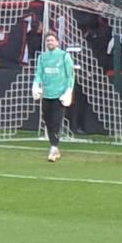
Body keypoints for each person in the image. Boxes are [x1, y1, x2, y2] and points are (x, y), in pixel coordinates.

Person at [34, 33, 77, 161]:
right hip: (47, 94)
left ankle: (54, 147)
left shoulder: (64, 56)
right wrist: (35, 85)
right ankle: (54, 146)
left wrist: (68, 90)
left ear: (57, 42)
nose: (50, 42)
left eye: (52, 40)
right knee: (48, 121)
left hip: (60, 95)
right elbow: (39, 74)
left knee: (56, 120)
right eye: (48, 40)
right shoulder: (42, 57)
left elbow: (71, 75)